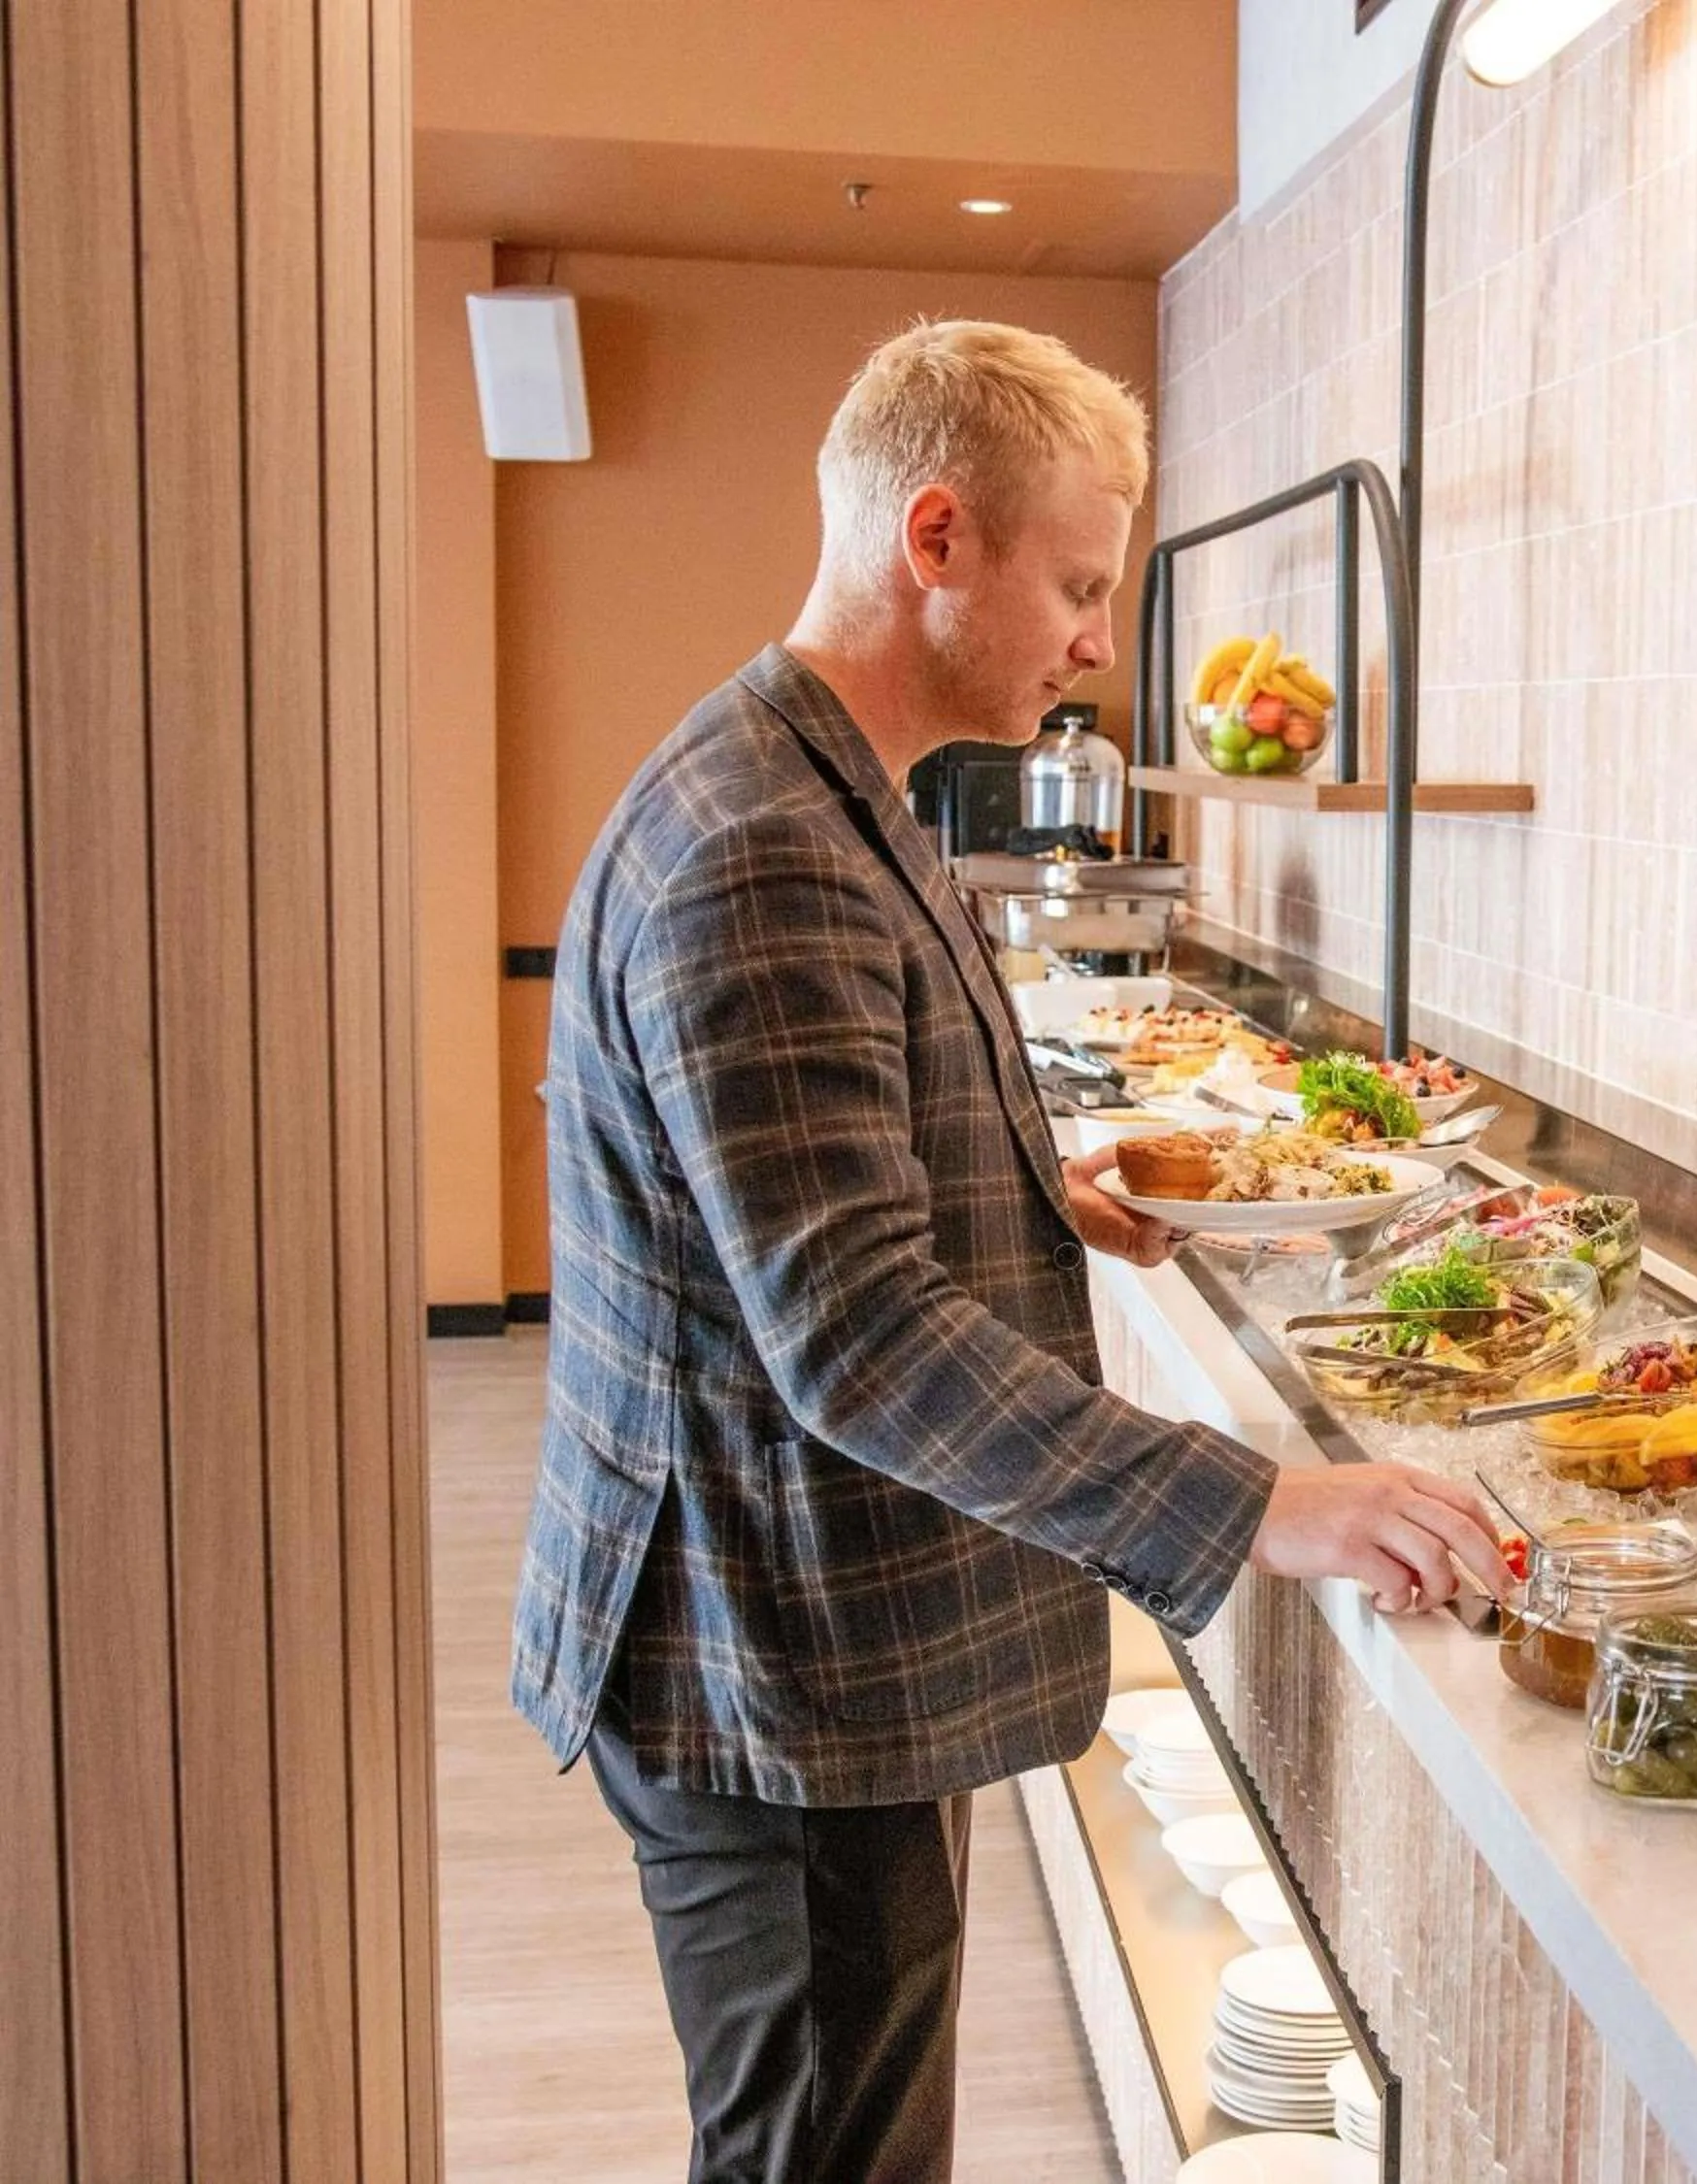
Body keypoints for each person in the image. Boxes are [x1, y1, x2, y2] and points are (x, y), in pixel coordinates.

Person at [511, 318, 1505, 2182]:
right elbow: (859, 1337)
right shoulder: (763, 846)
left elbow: (800, 1174)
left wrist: (1037, 1179)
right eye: (1079, 585)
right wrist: (1268, 1504)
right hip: (772, 1661)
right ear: (936, 539)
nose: (1095, 643)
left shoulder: (817, 780)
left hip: (798, 1632)